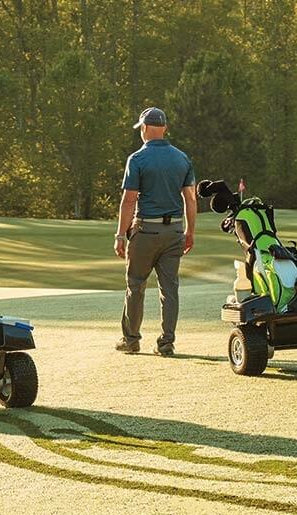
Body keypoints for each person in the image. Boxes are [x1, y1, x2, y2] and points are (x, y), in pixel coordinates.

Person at [114, 107, 197, 356]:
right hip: (174, 232)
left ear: (145, 128)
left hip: (145, 232)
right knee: (169, 289)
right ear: (165, 129)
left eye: (141, 128)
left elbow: (129, 200)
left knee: (136, 285)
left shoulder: (137, 159)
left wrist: (120, 235)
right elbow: (191, 199)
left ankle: (131, 340)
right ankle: (167, 343)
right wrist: (190, 232)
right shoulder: (182, 158)